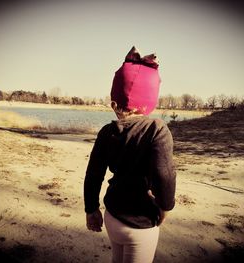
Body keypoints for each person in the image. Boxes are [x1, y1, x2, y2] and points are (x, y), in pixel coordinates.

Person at [84, 46, 176, 263]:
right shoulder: (157, 129)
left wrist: (91, 208)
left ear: (114, 101)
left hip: (112, 215)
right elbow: (165, 175)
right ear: (150, 99)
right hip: (140, 221)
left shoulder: (107, 131)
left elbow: (94, 173)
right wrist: (165, 207)